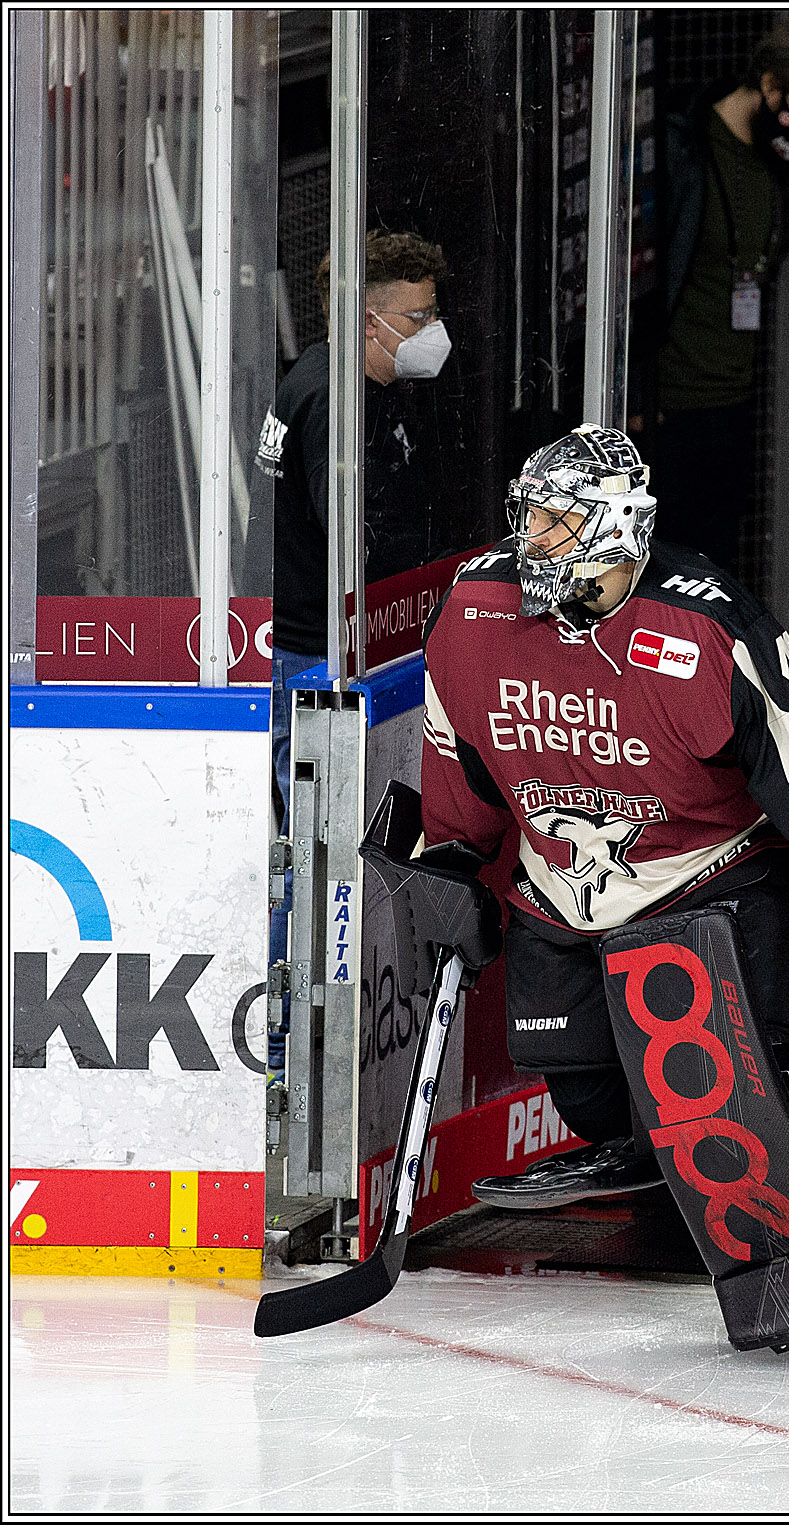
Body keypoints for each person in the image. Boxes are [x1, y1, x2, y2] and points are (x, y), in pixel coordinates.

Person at [418, 423, 789, 1355]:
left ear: (616, 525)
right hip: (562, 889)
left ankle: (785, 1240)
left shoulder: (706, 623)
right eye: (528, 515)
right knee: (589, 1099)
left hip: (705, 883)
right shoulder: (473, 611)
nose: (531, 538)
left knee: (719, 1093)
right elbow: (456, 746)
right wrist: (451, 858)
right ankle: (667, 1148)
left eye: (556, 521)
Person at [252, 228, 450, 1076]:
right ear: (372, 322)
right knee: (312, 852)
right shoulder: (332, 401)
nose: (434, 331)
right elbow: (351, 543)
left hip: (331, 649)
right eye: (420, 316)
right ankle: (283, 1048)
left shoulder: (352, 384)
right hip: (311, 659)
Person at [646, 19, 789, 571]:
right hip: (670, 410)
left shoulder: (777, 157)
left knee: (711, 579)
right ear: (769, 86)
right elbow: (645, 273)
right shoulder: (683, 148)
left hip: (733, 406)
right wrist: (642, 391)